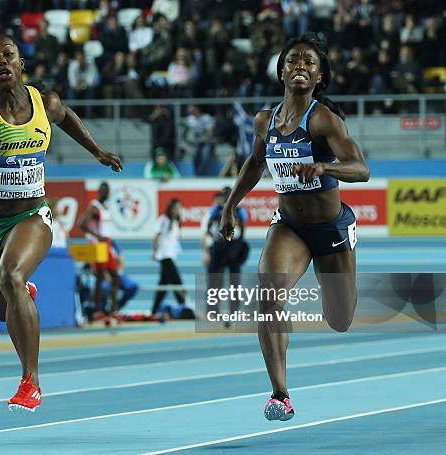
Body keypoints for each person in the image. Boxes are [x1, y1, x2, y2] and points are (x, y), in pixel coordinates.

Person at [0, 34, 122, 413]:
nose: (1, 62)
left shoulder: (44, 102)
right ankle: (22, 293)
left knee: (11, 277)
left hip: (31, 216)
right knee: (5, 310)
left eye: (8, 55)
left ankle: (30, 382)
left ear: (21, 63)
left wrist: (97, 151)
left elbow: (67, 117)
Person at [220, 34, 369, 421]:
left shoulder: (323, 119)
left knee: (340, 320)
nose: (300, 66)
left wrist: (325, 167)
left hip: (330, 229)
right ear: (281, 71)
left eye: (309, 62)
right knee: (268, 297)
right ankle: (280, 394)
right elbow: (254, 164)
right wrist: (230, 206)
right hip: (290, 227)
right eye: (292, 61)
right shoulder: (264, 120)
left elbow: (361, 169)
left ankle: (341, 264)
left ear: (320, 76)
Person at [79, 182, 121, 326]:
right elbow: (82, 223)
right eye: (104, 191)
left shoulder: (104, 207)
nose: (107, 193)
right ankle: (98, 310)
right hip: (99, 244)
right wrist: (96, 236)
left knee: (114, 276)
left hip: (107, 243)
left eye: (108, 191)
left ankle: (113, 310)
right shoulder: (95, 206)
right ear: (100, 192)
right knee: (101, 276)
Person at [205, 186, 249, 325]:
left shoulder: (240, 210)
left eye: (229, 194)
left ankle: (234, 311)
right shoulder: (216, 209)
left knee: (234, 282)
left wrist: (238, 243)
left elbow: (243, 227)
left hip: (231, 246)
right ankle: (213, 310)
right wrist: (217, 238)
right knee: (215, 280)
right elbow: (208, 226)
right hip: (220, 246)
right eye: (225, 195)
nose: (227, 197)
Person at [152, 198, 186, 318]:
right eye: (176, 208)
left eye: (179, 208)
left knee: (163, 284)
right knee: (177, 281)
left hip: (171, 255)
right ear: (171, 208)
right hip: (164, 255)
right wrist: (155, 252)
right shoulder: (163, 220)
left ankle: (154, 309)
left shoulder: (176, 222)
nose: (178, 211)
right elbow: (156, 236)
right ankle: (184, 306)